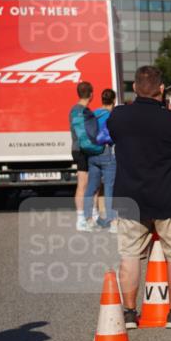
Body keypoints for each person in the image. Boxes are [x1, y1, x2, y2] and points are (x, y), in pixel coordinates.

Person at [109, 66, 171, 329]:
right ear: (162, 90)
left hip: (131, 198)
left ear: (135, 88)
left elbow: (115, 135)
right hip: (169, 198)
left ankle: (129, 313)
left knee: (129, 254)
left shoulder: (118, 117)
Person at [69, 81, 105, 231]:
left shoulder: (73, 110)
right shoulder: (84, 111)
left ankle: (85, 217)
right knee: (89, 185)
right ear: (91, 94)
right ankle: (88, 218)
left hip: (77, 149)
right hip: (86, 150)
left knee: (84, 185)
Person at [83, 88, 118, 233]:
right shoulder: (112, 115)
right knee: (110, 188)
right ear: (114, 101)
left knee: (91, 187)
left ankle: (88, 220)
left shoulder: (94, 114)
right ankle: (113, 222)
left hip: (92, 154)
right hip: (107, 152)